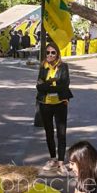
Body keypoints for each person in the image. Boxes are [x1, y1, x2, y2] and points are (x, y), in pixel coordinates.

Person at [36, 42, 73, 175]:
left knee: (61, 133)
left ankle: (61, 162)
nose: (50, 55)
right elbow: (38, 86)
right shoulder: (43, 67)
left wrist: (47, 85)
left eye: (53, 52)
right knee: (49, 133)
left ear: (57, 53)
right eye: (48, 53)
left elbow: (64, 85)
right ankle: (53, 159)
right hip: (45, 104)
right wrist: (52, 82)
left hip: (60, 103)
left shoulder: (63, 66)